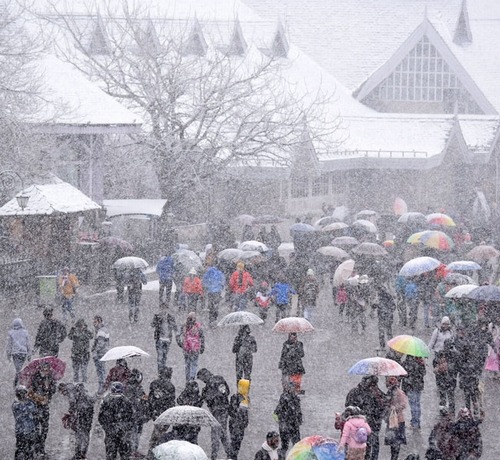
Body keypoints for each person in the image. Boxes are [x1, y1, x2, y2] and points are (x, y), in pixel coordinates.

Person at [345, 376, 387, 460]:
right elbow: (383, 407)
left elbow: (347, 406)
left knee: (363, 445)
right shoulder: (374, 393)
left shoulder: (355, 392)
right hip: (371, 424)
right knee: (369, 445)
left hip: (367, 424)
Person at [197, 368, 233, 460]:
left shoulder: (208, 387)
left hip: (217, 412)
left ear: (204, 376)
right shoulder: (220, 379)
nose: (202, 381)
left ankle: (215, 455)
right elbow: (227, 392)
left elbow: (207, 399)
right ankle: (229, 453)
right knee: (222, 432)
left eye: (201, 378)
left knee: (215, 434)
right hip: (224, 409)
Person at [98, 381, 134, 460]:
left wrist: (107, 428)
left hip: (110, 433)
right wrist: (125, 428)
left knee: (111, 455)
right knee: (124, 455)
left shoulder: (106, 400)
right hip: (123, 434)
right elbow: (132, 418)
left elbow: (101, 418)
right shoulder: (127, 401)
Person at [29, 361, 56, 457]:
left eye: (48, 369)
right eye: (44, 369)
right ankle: (37, 446)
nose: (46, 371)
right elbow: (32, 391)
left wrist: (49, 388)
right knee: (36, 428)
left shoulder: (50, 377)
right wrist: (38, 395)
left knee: (45, 428)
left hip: (45, 405)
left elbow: (53, 389)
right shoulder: (35, 377)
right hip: (36, 405)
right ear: (40, 369)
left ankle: (42, 447)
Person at [147, 367, 176, 456]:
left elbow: (150, 399)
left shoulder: (154, 384)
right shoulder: (170, 386)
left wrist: (152, 412)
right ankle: (155, 452)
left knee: (156, 433)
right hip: (165, 413)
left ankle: (152, 450)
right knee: (159, 434)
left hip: (156, 412)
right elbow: (171, 401)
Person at [274, 381, 302, 459]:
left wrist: (299, 420)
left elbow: (298, 411)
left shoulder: (295, 398)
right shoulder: (284, 398)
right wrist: (281, 421)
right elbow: (277, 411)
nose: (292, 390)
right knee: (287, 445)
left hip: (292, 425)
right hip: (287, 425)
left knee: (295, 445)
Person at [124, 369, 149, 458]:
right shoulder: (136, 389)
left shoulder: (126, 387)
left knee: (130, 434)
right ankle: (132, 451)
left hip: (129, 416)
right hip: (136, 417)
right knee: (135, 435)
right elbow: (143, 400)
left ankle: (129, 450)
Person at [384, 376, 408, 460]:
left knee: (396, 441)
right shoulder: (389, 392)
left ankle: (394, 457)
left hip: (398, 420)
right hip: (391, 419)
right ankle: (393, 457)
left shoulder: (399, 392)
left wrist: (394, 407)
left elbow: (404, 404)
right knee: (392, 441)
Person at [176, 312, 205, 382]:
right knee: (194, 364)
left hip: (187, 348)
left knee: (187, 364)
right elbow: (202, 337)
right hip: (195, 349)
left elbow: (177, 335)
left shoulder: (184, 326)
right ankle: (192, 378)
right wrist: (202, 347)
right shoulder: (198, 326)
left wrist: (180, 344)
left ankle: (188, 378)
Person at [12, 385, 37, 460]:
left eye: (24, 393)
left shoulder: (30, 402)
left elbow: (34, 409)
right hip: (20, 431)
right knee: (20, 449)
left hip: (30, 429)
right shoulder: (16, 404)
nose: (22, 395)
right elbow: (24, 410)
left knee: (30, 449)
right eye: (20, 393)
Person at [71, 383, 95, 460]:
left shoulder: (80, 397)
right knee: (83, 437)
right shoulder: (86, 397)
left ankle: (80, 453)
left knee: (80, 438)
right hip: (85, 421)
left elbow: (73, 409)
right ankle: (81, 453)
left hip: (82, 420)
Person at [401, 355, 426, 429]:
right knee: (417, 404)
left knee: (413, 405)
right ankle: (416, 422)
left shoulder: (408, 361)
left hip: (411, 386)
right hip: (418, 386)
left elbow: (404, 374)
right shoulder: (420, 360)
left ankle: (415, 422)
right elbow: (423, 373)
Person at [151, 306, 177, 373]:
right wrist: (158, 319)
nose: (164, 311)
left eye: (165, 309)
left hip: (167, 339)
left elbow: (175, 327)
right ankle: (160, 371)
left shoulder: (170, 317)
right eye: (162, 309)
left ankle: (163, 369)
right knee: (160, 356)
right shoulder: (157, 316)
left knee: (164, 356)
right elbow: (152, 325)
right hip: (159, 339)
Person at [229, 379, 250, 460]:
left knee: (238, 443)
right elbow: (231, 411)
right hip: (235, 425)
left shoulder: (247, 398)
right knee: (234, 443)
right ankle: (233, 457)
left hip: (240, 425)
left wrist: (245, 422)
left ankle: (234, 456)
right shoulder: (235, 397)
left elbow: (246, 413)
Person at [6, 318, 31, 387]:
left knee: (18, 369)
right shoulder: (25, 332)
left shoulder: (11, 333)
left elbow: (9, 344)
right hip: (23, 353)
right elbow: (28, 344)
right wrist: (29, 353)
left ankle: (17, 383)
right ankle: (19, 382)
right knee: (20, 368)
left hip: (15, 353)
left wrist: (8, 354)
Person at [68, 318, 93, 383]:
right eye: (80, 325)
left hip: (85, 354)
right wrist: (72, 330)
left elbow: (91, 336)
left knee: (84, 371)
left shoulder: (86, 331)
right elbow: (69, 337)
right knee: (76, 371)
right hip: (75, 355)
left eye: (82, 325)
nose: (81, 327)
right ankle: (76, 384)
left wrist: (86, 330)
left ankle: (84, 385)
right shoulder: (74, 331)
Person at [92, 315, 110, 396]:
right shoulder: (102, 330)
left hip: (100, 354)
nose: (93, 323)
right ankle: (102, 387)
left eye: (95, 321)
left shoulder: (101, 331)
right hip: (102, 353)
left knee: (101, 372)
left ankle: (101, 388)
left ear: (99, 321)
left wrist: (95, 352)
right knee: (101, 371)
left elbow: (100, 343)